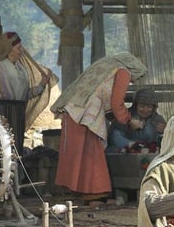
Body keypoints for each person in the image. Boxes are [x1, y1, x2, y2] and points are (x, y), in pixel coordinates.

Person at [51, 53, 148, 202]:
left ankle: (79, 190)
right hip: (86, 114)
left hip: (73, 110)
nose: (132, 81)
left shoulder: (105, 65)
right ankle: (95, 191)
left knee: (77, 153)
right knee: (91, 153)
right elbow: (116, 104)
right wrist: (129, 121)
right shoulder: (123, 72)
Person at [0, 31, 55, 157]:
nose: (21, 51)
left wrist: (41, 85)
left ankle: (16, 177)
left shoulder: (21, 70)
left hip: (16, 116)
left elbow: (24, 95)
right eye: (18, 48)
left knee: (14, 153)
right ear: (8, 49)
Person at [107, 88, 166, 153]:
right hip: (126, 151)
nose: (145, 110)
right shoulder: (126, 115)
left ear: (153, 108)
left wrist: (165, 130)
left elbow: (164, 140)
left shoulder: (157, 119)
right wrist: (128, 124)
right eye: (141, 106)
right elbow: (113, 136)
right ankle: (136, 147)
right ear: (135, 106)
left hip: (149, 151)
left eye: (149, 107)